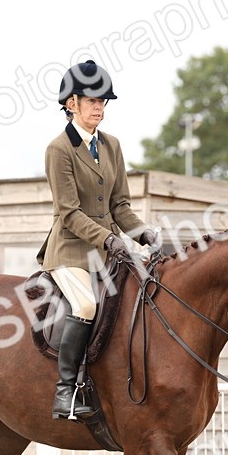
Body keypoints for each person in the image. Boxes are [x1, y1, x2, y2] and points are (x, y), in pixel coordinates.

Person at [36, 59, 157, 420]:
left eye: (103, 102)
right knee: (86, 306)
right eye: (92, 101)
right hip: (71, 252)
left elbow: (120, 205)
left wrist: (143, 233)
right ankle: (66, 391)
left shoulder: (112, 146)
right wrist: (109, 240)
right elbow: (70, 213)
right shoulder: (59, 149)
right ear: (71, 104)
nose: (99, 108)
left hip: (109, 249)